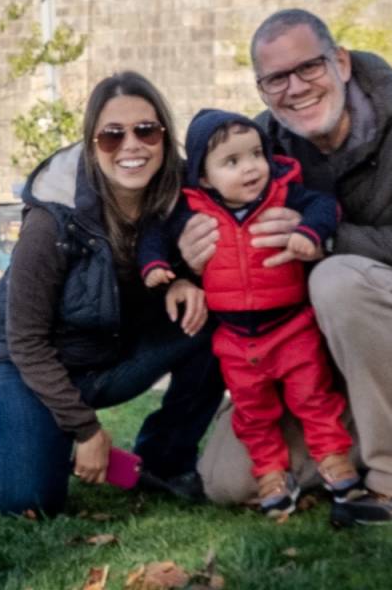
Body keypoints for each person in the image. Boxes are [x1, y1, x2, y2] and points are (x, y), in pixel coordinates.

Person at [187, 8, 392, 528]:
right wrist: (191, 251)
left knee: (337, 277)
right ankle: (353, 448)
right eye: (276, 78)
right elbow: (202, 223)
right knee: (227, 479)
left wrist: (326, 239)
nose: (296, 88)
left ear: (340, 62)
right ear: (261, 89)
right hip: (306, 349)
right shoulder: (255, 147)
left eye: (309, 68)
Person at [0, 72, 225, 517]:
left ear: (164, 135)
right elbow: (25, 340)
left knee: (212, 318)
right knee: (30, 501)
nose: (131, 146)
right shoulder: (52, 219)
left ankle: (165, 458)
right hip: (23, 364)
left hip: (105, 357)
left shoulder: (181, 195)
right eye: (111, 136)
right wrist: (86, 432)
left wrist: (183, 280)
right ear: (91, 143)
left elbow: (145, 281)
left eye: (146, 130)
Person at [139, 108, 355, 515]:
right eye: (232, 162)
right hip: (236, 340)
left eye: (257, 154)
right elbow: (156, 233)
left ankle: (333, 458)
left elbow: (325, 207)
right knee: (253, 412)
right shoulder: (192, 210)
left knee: (314, 397)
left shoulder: (284, 193)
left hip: (293, 327)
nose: (252, 167)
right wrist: (155, 266)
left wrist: (310, 233)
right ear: (204, 177)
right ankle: (271, 472)